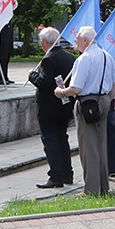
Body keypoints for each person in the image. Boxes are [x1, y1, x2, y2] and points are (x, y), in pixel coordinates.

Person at [54, 26, 115, 195]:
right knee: (101, 145)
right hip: (103, 100)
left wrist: (61, 92)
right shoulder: (107, 56)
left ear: (85, 40)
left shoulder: (84, 59)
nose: (74, 41)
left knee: (88, 148)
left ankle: (91, 189)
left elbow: (76, 88)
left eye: (77, 38)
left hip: (88, 102)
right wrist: (107, 100)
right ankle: (103, 186)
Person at [32, 27, 75, 189]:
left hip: (49, 108)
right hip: (64, 106)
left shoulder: (49, 59)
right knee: (62, 140)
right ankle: (67, 173)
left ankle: (56, 176)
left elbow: (44, 83)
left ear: (44, 42)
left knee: (50, 141)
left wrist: (32, 76)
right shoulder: (68, 56)